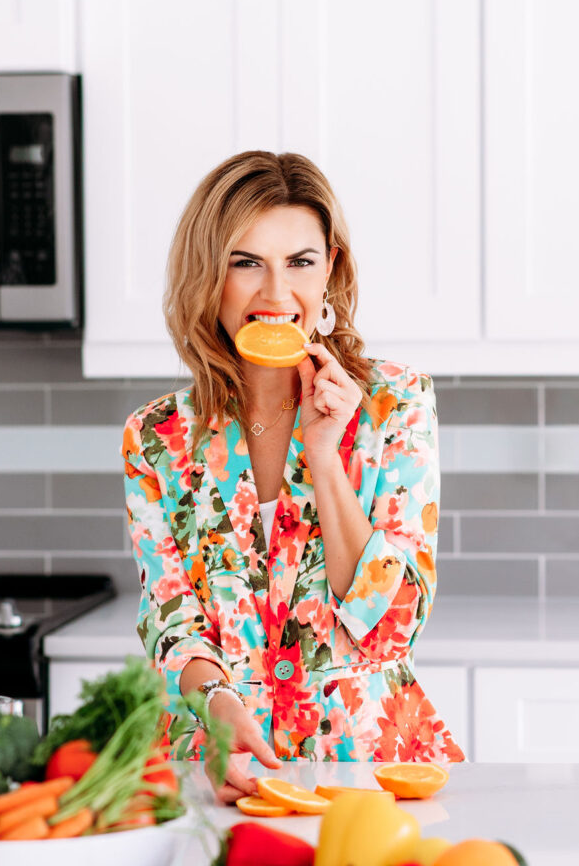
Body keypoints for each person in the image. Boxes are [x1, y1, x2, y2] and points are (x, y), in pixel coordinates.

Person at [122, 150, 465, 804]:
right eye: (245, 263)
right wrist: (216, 702)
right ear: (206, 275)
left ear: (329, 267)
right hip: (222, 766)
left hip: (370, 769)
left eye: (299, 263)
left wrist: (325, 453)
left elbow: (391, 624)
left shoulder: (395, 408)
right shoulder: (157, 437)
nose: (276, 295)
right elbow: (170, 616)